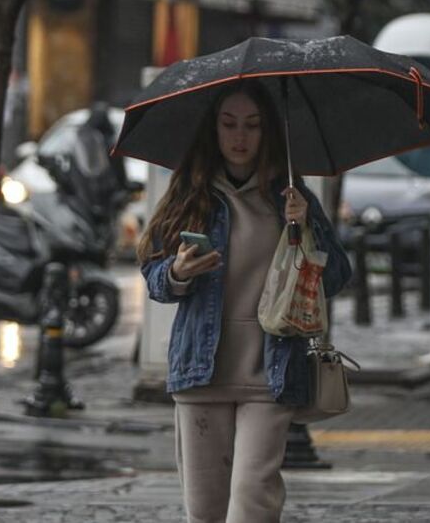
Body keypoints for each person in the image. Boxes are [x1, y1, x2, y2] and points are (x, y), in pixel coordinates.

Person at [138, 81, 352, 522]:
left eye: (252, 126)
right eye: (229, 124)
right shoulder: (188, 196)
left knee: (254, 499)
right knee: (206, 510)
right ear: (213, 130)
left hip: (270, 373)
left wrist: (308, 226)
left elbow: (335, 278)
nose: (240, 137)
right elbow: (155, 279)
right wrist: (178, 273)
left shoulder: (290, 197)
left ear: (267, 132)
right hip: (201, 371)